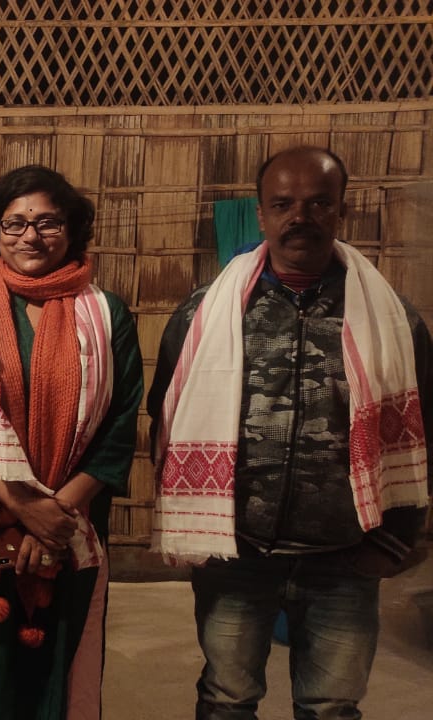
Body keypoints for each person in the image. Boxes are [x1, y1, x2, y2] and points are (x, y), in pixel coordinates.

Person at [149, 145, 432, 719]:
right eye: (283, 204)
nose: (300, 217)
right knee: (226, 701)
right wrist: (194, 530)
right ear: (261, 214)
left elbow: (424, 430)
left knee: (331, 707)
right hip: (236, 555)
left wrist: (395, 541)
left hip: (346, 556)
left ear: (340, 211)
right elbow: (166, 418)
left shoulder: (393, 320)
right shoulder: (204, 313)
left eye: (318, 203)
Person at [0, 165, 143, 719]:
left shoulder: (108, 315)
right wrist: (24, 506)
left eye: (48, 222)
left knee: (60, 659)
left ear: (72, 229)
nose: (31, 235)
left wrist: (57, 512)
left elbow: (119, 427)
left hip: (72, 521)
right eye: (15, 223)